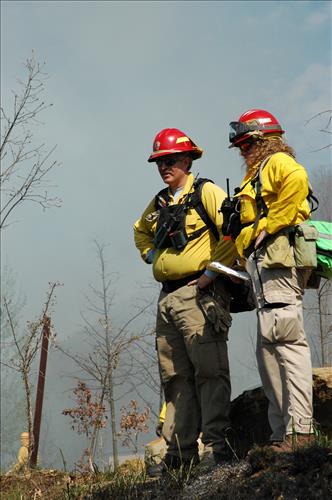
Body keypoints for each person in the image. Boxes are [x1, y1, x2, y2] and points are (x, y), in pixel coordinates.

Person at [134, 128, 238, 473]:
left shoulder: (205, 191)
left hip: (200, 295)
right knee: (175, 376)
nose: (165, 166)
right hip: (167, 298)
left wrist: (211, 273)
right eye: (160, 161)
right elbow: (140, 231)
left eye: (172, 160)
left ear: (188, 159)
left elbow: (233, 229)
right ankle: (180, 454)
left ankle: (215, 448)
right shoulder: (160, 201)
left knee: (208, 371)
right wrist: (151, 255)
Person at [227, 109, 315, 452]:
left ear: (265, 140)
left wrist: (270, 223)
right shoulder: (257, 174)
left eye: (248, 143)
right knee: (269, 350)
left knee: (287, 342)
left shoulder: (278, 162)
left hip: (279, 264)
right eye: (241, 145)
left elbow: (298, 181)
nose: (243, 150)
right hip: (263, 269)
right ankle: (281, 435)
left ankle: (301, 432)